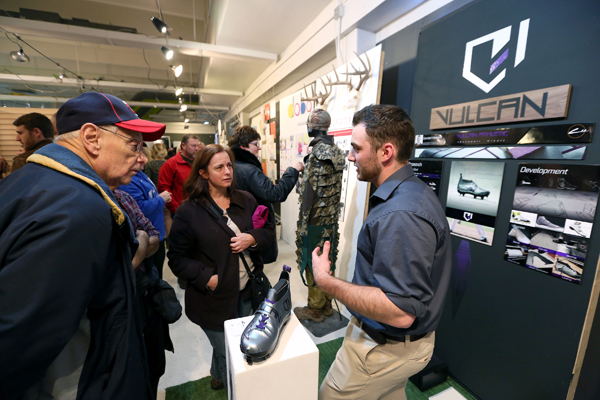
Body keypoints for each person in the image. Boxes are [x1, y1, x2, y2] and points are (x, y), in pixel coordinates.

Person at [0, 92, 166, 399]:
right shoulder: (77, 209)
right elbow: (18, 343)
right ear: (92, 137)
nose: (142, 158)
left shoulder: (27, 182)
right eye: (134, 144)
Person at [313, 105, 452, 400]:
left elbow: (400, 312)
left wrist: (327, 282)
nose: (350, 157)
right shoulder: (408, 195)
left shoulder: (401, 213)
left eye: (356, 148)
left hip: (383, 349)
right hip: (398, 347)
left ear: (386, 151)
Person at [167, 144, 275, 391]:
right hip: (213, 298)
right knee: (230, 352)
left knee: (241, 344)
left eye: (229, 165)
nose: (227, 172)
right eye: (219, 167)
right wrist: (208, 278)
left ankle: (217, 376)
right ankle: (231, 386)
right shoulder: (189, 212)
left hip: (249, 290)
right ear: (203, 173)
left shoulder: (245, 199)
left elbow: (268, 230)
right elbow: (177, 258)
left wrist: (253, 238)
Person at [294, 109, 346, 323]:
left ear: (311, 126)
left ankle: (315, 309)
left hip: (314, 220)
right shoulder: (338, 152)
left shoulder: (315, 154)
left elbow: (309, 193)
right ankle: (326, 303)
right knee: (328, 259)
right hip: (331, 219)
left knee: (312, 260)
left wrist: (303, 224)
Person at [230, 125, 303, 263]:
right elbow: (275, 194)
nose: (259, 147)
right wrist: (292, 171)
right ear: (243, 146)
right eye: (255, 144)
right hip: (254, 228)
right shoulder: (250, 170)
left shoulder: (233, 165)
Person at [119, 168, 172, 278]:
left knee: (158, 273)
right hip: (147, 236)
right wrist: (160, 200)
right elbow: (139, 208)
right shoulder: (129, 180)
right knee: (151, 277)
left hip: (156, 233)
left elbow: (149, 195)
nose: (143, 159)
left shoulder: (140, 173)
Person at [158, 134, 201, 215]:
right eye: (193, 146)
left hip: (199, 209)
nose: (196, 149)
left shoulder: (199, 163)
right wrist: (176, 208)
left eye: (197, 146)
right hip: (181, 210)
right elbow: (164, 188)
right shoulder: (171, 164)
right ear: (183, 146)